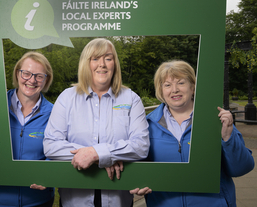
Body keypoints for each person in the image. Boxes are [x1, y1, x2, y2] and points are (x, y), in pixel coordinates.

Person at [130, 60, 255, 207]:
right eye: (168, 85)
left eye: (181, 83)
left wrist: (228, 137)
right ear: (161, 90)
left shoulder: (215, 120)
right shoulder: (147, 125)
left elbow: (242, 168)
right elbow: (140, 170)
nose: (174, 89)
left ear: (193, 87)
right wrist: (139, 183)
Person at [43, 38, 150, 207]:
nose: (102, 64)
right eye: (95, 59)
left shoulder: (131, 99)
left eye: (108, 58)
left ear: (114, 64)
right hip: (75, 199)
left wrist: (96, 154)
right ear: (86, 64)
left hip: (118, 199)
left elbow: (141, 146)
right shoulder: (66, 98)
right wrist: (109, 155)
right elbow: (50, 145)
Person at [0, 51, 55, 207]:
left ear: (46, 80)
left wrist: (48, 172)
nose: (32, 80)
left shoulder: (54, 113)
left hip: (38, 200)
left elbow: (60, 148)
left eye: (39, 76)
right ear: (17, 74)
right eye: (26, 73)